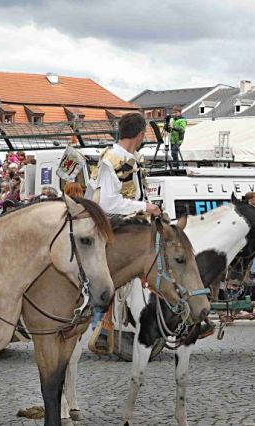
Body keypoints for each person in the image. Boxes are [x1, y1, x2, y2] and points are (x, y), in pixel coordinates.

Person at [85, 112, 161, 352]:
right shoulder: (112, 159)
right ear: (140, 135)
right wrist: (144, 206)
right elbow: (107, 203)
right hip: (118, 228)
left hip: (132, 225)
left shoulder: (128, 157)